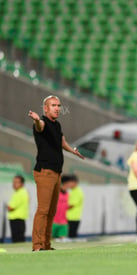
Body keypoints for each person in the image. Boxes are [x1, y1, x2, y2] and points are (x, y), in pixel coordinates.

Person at [28, 95, 84, 251]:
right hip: (45, 172)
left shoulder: (57, 125)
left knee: (52, 211)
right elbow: (40, 126)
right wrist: (36, 120)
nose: (57, 108)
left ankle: (46, 244)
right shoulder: (43, 122)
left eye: (59, 105)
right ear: (46, 108)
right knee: (43, 210)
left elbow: (62, 142)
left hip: (56, 173)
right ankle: (37, 245)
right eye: (53, 105)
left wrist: (73, 151)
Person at [7, 175, 29, 243]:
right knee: (20, 239)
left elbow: (10, 207)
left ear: (22, 184)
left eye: (17, 182)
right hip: (20, 220)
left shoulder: (19, 193)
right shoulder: (23, 192)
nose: (14, 184)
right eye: (14, 182)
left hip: (17, 220)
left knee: (17, 240)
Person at [52, 177, 71, 241]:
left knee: (62, 240)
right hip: (54, 221)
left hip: (63, 222)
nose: (69, 186)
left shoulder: (68, 194)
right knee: (51, 240)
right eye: (68, 184)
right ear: (64, 183)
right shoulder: (55, 193)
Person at [66, 174, 84, 238]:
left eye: (70, 182)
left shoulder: (77, 192)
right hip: (69, 218)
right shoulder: (72, 191)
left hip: (73, 219)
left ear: (75, 182)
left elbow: (71, 205)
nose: (68, 184)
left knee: (71, 237)